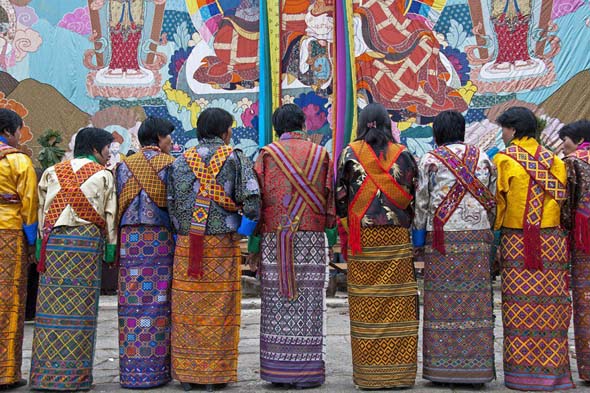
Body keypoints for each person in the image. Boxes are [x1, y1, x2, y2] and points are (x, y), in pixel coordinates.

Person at [168, 108, 260, 391]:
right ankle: (214, 375)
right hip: (221, 245)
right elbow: (252, 201)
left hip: (187, 244)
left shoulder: (180, 160)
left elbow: (171, 203)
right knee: (220, 309)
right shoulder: (236, 158)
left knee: (187, 308)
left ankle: (188, 374)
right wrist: (244, 232)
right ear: (225, 131)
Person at [250, 104, 336, 388]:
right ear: (303, 124)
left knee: (277, 302)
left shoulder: (266, 155)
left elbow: (256, 203)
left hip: (276, 239)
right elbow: (330, 200)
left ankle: (278, 371)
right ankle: (307, 372)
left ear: (277, 127)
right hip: (311, 237)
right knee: (309, 302)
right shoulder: (321, 154)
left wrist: (254, 243)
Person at [335, 102, 419, 389]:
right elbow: (413, 194)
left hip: (364, 240)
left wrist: (350, 225)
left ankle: (370, 376)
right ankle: (399, 375)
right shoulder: (404, 154)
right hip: (395, 237)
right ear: (387, 123)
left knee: (366, 304)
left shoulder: (349, 153)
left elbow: (340, 198)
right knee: (399, 304)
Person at [30, 127, 117, 391]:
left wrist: (37, 247)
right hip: (85, 245)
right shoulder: (103, 175)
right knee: (81, 309)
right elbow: (109, 213)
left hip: (54, 245)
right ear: (95, 149)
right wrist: (111, 250)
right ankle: (74, 377)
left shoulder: (51, 172)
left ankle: (45, 376)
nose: (109, 155)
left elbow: (41, 211)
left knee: (50, 308)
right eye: (107, 150)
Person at [413, 110, 497, 384]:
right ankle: (476, 369)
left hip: (442, 240)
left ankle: (442, 368)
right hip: (477, 238)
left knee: (441, 302)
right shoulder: (483, 158)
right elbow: (492, 200)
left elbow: (422, 203)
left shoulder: (429, 160)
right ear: (461, 130)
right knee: (477, 301)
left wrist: (418, 239)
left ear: (437, 132)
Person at [494, 107, 574, 390]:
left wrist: (495, 240)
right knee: (551, 305)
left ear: (513, 130)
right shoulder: (555, 160)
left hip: (518, 242)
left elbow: (499, 206)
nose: (502, 134)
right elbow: (562, 198)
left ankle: (521, 375)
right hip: (551, 243)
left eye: (503, 129)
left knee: (519, 306)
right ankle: (553, 373)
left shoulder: (503, 160)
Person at [116, 117, 176, 388]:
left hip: (130, 239)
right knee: (160, 301)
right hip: (159, 239)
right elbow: (175, 205)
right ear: (159, 138)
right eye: (169, 137)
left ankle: (132, 372)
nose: (171, 142)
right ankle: (156, 371)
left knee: (131, 302)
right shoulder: (170, 165)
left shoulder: (124, 166)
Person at [0, 109, 37, 389]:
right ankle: (6, 372)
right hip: (9, 234)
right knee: (10, 300)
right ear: (9, 131)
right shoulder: (17, 160)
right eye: (19, 131)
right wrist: (33, 242)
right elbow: (29, 205)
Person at [560, 120, 590, 382]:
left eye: (565, 139)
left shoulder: (573, 161)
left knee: (585, 301)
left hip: (584, 240)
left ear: (579, 140)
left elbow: (566, 204)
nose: (562, 145)